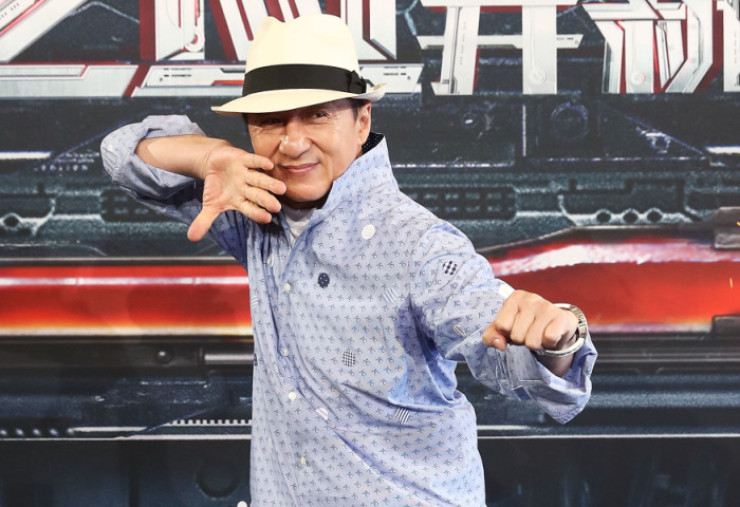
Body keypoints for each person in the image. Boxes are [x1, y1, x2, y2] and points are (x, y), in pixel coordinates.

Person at [101, 14, 596, 506]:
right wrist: (210, 157)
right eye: (271, 121)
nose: (293, 143)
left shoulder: (418, 244)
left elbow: (510, 350)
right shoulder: (252, 208)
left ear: (362, 122)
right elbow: (121, 154)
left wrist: (555, 336)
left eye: (317, 115)